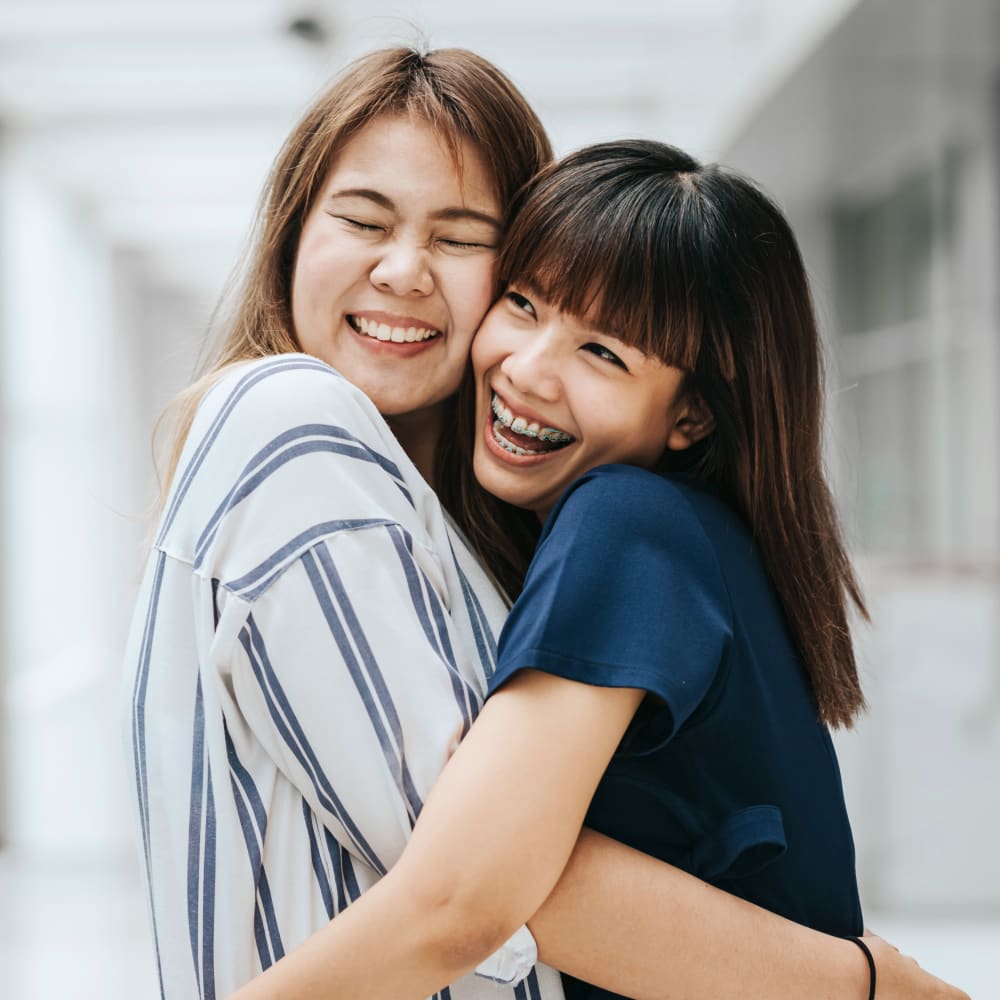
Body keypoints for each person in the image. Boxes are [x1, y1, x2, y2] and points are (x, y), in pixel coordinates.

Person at [123, 44, 965, 1000]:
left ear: (692, 414)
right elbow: (470, 886)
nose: (527, 366)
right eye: (526, 305)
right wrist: (871, 981)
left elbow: (471, 888)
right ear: (290, 234)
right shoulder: (295, 422)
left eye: (459, 237)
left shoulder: (620, 523)